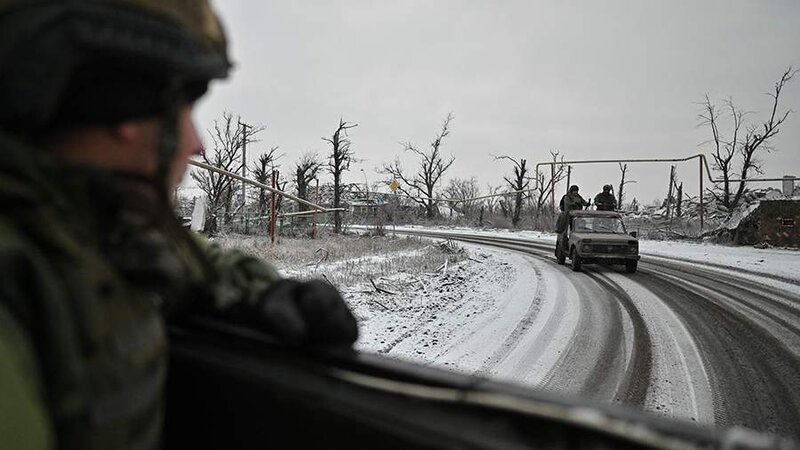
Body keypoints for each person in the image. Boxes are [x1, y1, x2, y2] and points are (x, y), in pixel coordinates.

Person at [0, 1, 358, 449]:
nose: (198, 146)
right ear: (123, 110)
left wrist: (261, 292)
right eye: (184, 112)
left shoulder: (88, 227)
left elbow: (176, 255)